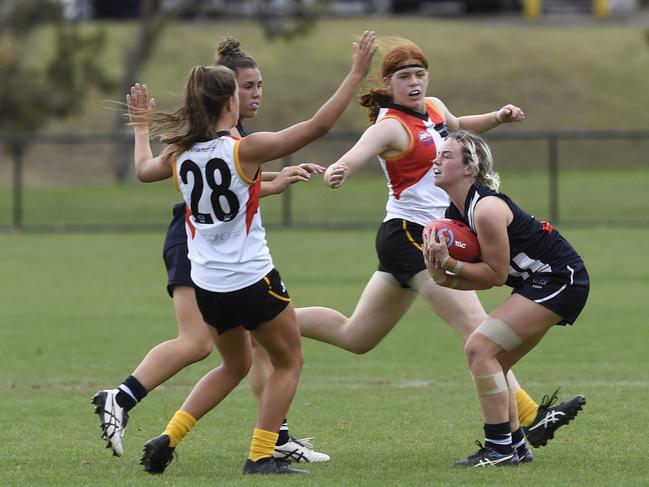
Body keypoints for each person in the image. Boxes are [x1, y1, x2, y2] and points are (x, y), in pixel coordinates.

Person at [296, 38, 584, 460]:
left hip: (424, 236)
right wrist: (341, 168)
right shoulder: (390, 125)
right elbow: (361, 150)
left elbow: (459, 124)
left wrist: (497, 117)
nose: (414, 83)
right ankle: (526, 416)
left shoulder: (432, 106)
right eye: (403, 77)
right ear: (389, 84)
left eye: (419, 74)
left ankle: (272, 319)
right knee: (478, 328)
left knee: (355, 335)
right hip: (414, 235)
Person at [123, 32, 376, 476]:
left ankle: (169, 436)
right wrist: (356, 72)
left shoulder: (180, 153)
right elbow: (317, 127)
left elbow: (144, 171)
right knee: (288, 361)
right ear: (229, 105)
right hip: (251, 279)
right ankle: (261, 455)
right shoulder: (245, 149)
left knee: (234, 365)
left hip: (208, 285)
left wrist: (142, 127)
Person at [92, 37, 330, 463]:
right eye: (247, 87)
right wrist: (351, 75)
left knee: (241, 359)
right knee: (203, 344)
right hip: (199, 246)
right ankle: (123, 398)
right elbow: (232, 174)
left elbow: (231, 182)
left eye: (259, 85)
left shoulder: (199, 144)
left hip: (212, 256)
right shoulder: (224, 141)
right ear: (226, 97)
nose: (255, 94)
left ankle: (267, 437)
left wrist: (276, 179)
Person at [422, 130, 590, 466]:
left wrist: (452, 264)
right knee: (494, 361)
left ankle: (499, 449)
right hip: (537, 282)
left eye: (447, 156)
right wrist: (442, 276)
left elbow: (496, 276)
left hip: (560, 278)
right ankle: (514, 447)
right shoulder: (456, 213)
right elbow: (483, 281)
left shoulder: (486, 208)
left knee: (478, 348)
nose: (436, 160)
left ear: (470, 168)